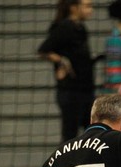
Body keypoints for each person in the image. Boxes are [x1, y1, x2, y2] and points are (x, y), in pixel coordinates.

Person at [38, 0, 97, 142]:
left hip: (85, 90)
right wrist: (61, 61)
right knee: (70, 135)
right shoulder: (64, 27)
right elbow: (44, 50)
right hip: (71, 91)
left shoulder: (80, 28)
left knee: (94, 130)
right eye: (87, 6)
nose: (91, 10)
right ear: (74, 7)